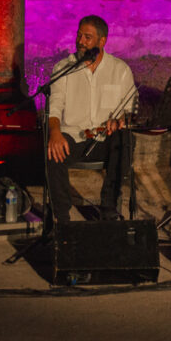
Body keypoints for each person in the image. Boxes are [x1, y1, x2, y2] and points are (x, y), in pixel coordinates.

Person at [45, 15, 136, 223]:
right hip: (74, 137)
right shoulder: (63, 67)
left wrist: (119, 120)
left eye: (87, 37)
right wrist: (55, 132)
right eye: (79, 36)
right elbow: (55, 107)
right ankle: (62, 217)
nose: (80, 41)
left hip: (105, 139)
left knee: (126, 140)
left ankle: (109, 208)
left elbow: (129, 108)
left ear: (102, 41)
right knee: (53, 149)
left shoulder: (120, 70)